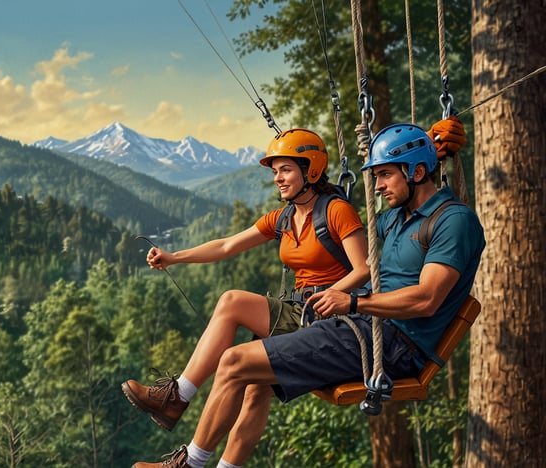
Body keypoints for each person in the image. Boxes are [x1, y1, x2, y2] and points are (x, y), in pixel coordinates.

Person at [130, 117, 486, 468]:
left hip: (391, 344)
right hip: (360, 325)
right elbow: (230, 245)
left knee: (235, 362)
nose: (376, 187)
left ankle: (188, 462)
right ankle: (184, 419)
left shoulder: (453, 221)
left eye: (384, 175)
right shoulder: (396, 216)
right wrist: (430, 145)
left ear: (417, 173)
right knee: (248, 370)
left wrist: (350, 299)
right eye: (376, 176)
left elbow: (426, 299)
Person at [122, 128, 370, 463]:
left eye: (285, 170)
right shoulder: (283, 217)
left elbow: (364, 269)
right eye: (275, 172)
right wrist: (174, 257)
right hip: (299, 310)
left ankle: (178, 400)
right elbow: (226, 245)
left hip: (328, 318)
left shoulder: (337, 211)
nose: (278, 179)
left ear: (310, 169)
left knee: (231, 302)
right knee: (255, 389)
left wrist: (331, 293)